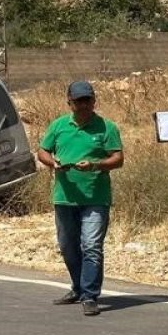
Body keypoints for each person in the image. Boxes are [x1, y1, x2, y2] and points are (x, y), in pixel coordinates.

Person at [36, 80, 124, 317]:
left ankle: (89, 295)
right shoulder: (58, 125)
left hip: (96, 197)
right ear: (69, 102)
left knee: (91, 246)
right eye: (79, 101)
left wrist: (95, 165)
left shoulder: (107, 127)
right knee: (68, 247)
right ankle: (78, 287)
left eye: (88, 100)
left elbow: (118, 159)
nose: (84, 105)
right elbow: (42, 151)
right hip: (64, 197)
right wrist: (53, 163)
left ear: (94, 101)